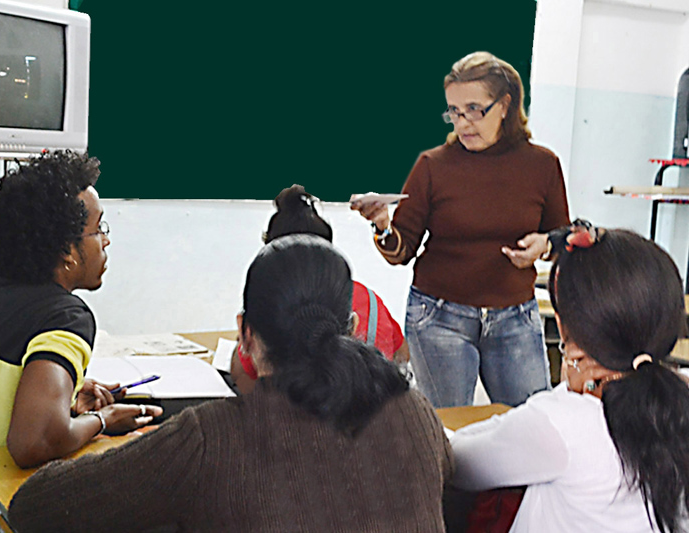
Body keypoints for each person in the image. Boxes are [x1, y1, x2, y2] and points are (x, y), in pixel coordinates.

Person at [8, 235, 454, 532]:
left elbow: (35, 508)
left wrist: (107, 429)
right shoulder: (413, 410)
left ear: (245, 334)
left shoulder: (211, 437)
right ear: (353, 326)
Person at [0, 150, 161, 533]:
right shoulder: (64, 318)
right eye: (98, 230)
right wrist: (101, 420)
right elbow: (33, 442)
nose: (106, 242)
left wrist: (66, 395)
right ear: (66, 252)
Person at [352, 51, 570, 408]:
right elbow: (401, 250)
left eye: (474, 109)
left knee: (531, 425)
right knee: (447, 432)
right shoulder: (432, 165)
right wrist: (381, 225)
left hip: (516, 316)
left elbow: (562, 238)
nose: (463, 122)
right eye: (454, 111)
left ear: (505, 105)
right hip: (439, 318)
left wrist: (544, 245)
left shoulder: (542, 165)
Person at [450, 224, 689, 532]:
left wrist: (567, 387)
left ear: (565, 328)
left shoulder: (562, 420)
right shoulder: (678, 394)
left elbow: (456, 464)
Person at [231, 184, 410, 394]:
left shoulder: (269, 305)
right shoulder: (369, 299)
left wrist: (242, 344)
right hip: (369, 410)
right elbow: (402, 354)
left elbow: (243, 381)